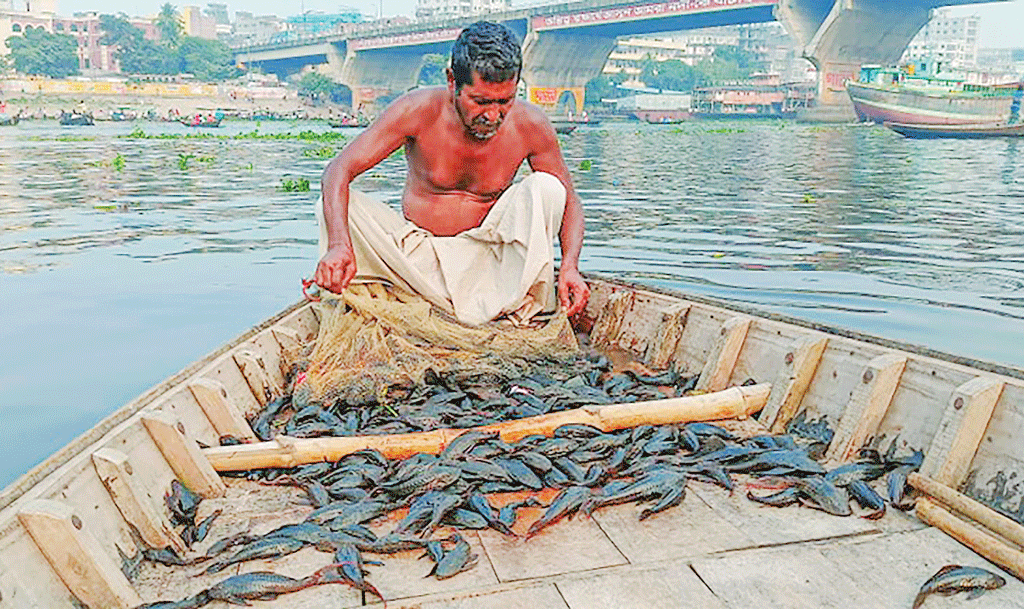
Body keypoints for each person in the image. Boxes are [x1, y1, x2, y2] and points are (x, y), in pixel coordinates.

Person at [314, 21, 589, 326]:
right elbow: (338, 170)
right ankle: (437, 301)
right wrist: (339, 244)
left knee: (548, 188)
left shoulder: (531, 124)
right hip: (418, 262)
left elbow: (570, 203)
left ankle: (499, 303)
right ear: (451, 81)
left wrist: (570, 267)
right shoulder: (416, 110)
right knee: (338, 206)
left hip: (491, 267)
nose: (493, 115)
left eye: (504, 101)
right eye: (481, 101)